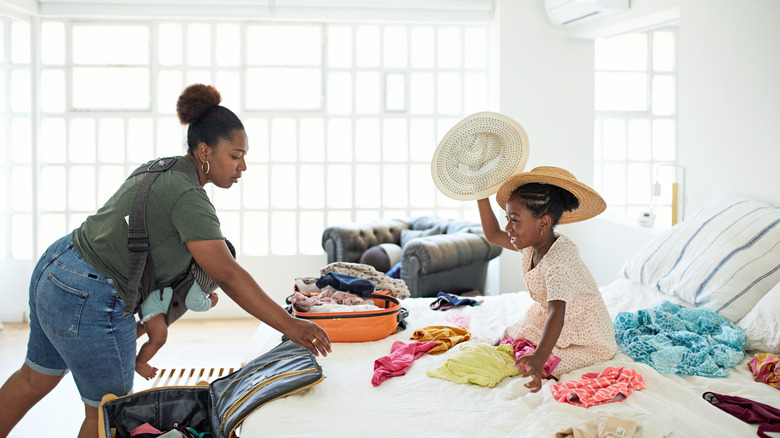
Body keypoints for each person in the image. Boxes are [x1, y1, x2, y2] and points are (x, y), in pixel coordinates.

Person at [0, 84, 331, 438]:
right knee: (107, 412)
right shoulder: (189, 197)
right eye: (236, 156)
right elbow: (228, 275)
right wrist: (291, 326)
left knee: (34, 377)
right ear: (205, 150)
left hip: (56, 268)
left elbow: (144, 255)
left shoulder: (161, 168)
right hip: (89, 292)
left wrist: (136, 330)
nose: (243, 166)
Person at [477, 166, 618, 393]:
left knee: (546, 364)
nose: (508, 228)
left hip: (586, 335)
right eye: (507, 218)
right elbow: (493, 234)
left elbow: (557, 313)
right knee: (508, 339)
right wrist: (479, 193)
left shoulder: (559, 261)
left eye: (514, 220)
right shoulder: (532, 245)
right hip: (557, 319)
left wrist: (540, 357)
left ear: (543, 223)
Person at [135, 238, 235, 380]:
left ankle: (123, 340)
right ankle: (140, 362)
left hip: (156, 300)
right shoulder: (201, 278)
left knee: (145, 326)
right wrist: (211, 302)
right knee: (159, 338)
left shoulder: (194, 267)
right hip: (156, 304)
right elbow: (193, 302)